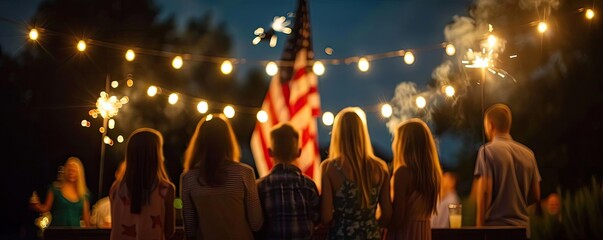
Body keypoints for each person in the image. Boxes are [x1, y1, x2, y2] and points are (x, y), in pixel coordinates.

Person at [181, 114, 263, 240]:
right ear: (228, 141)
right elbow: (256, 223)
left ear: (199, 142)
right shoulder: (244, 173)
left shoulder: (188, 178)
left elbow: (190, 229)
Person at [320, 107, 392, 240]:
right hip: (371, 235)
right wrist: (371, 226)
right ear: (362, 132)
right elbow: (387, 214)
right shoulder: (380, 167)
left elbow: (326, 217)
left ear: (338, 133)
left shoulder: (329, 168)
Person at [474, 103, 541, 227]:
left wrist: (479, 228)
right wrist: (516, 204)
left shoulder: (486, 151)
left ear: (490, 125)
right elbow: (536, 195)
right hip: (522, 228)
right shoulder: (529, 154)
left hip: (495, 228)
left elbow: (485, 193)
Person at [256, 123, 320, 240]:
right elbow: (316, 218)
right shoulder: (309, 185)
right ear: (299, 152)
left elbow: (258, 223)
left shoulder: (261, 186)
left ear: (270, 152)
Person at [110, 128, 176, 240]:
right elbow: (169, 231)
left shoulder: (116, 188)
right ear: (156, 155)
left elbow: (115, 224)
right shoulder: (165, 189)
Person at [387, 118, 442, 240]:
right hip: (423, 233)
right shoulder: (432, 175)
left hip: (405, 233)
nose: (393, 144)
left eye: (396, 139)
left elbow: (397, 219)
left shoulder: (403, 173)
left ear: (404, 144)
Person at [30, 156, 91, 227]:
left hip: (75, 233)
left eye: (74, 170)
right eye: (70, 170)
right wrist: (36, 205)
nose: (71, 172)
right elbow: (46, 208)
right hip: (57, 231)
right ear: (66, 171)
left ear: (79, 173)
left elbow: (86, 219)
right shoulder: (55, 189)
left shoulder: (84, 194)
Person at [90, 161, 126, 228]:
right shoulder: (101, 206)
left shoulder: (140, 207)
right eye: (123, 173)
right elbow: (92, 228)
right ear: (117, 174)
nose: (126, 178)